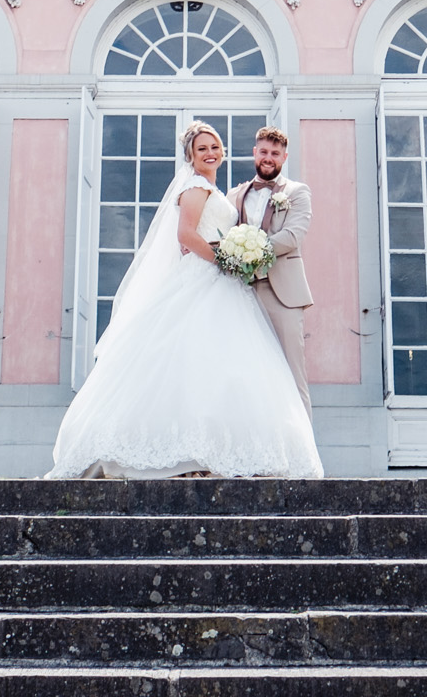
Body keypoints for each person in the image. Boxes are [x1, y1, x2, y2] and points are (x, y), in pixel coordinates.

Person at [46, 121, 322, 479]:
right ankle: (191, 452)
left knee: (256, 372)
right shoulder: (201, 187)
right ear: (191, 156)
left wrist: (239, 256)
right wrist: (226, 260)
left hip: (263, 288)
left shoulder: (282, 192)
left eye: (215, 146)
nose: (211, 153)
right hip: (216, 277)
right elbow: (187, 235)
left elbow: (289, 235)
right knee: (194, 360)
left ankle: (259, 450)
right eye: (202, 148)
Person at [228, 125, 314, 416]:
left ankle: (304, 460)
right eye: (263, 151)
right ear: (254, 153)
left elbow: (292, 237)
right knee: (247, 374)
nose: (268, 158)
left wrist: (250, 251)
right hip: (241, 294)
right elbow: (223, 237)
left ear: (284, 157)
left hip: (283, 295)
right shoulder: (235, 195)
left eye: (275, 153)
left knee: (293, 375)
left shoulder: (297, 192)